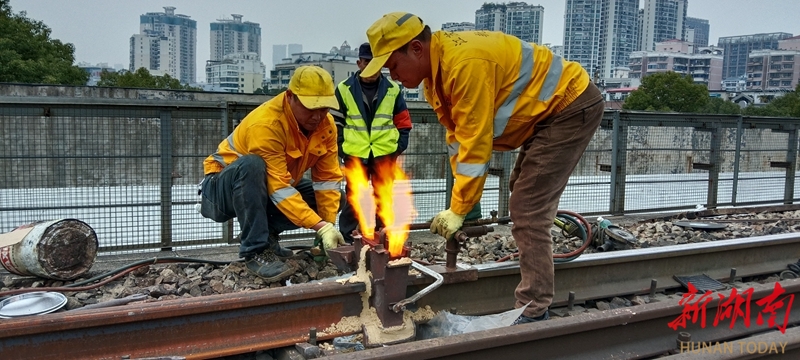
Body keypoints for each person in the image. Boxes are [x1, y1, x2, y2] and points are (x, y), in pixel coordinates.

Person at [362, 12, 604, 324]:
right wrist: (464, 204)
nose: (393, 76)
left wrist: (459, 208)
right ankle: (536, 257)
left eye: (393, 65)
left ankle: (533, 309)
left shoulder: (464, 65)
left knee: (528, 207)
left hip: (569, 105)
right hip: (546, 115)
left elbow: (476, 143)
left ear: (417, 49)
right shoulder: (435, 80)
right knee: (523, 194)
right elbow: (458, 138)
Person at [199, 65, 346, 282]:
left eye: (324, 108)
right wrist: (321, 226)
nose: (318, 116)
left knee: (337, 197)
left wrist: (326, 227)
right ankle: (255, 251)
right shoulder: (267, 124)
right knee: (252, 165)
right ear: (290, 97)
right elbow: (279, 188)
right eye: (310, 107)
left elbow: (327, 181)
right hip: (219, 191)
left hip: (266, 190)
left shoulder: (326, 127)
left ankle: (266, 237)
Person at [330, 42, 413, 243]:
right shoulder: (344, 89)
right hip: (355, 153)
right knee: (354, 197)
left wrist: (397, 148)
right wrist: (342, 148)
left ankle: (381, 236)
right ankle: (348, 237)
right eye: (367, 62)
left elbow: (403, 122)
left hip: (384, 153)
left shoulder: (393, 89)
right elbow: (334, 123)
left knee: (383, 196)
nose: (370, 66)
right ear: (359, 63)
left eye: (375, 62)